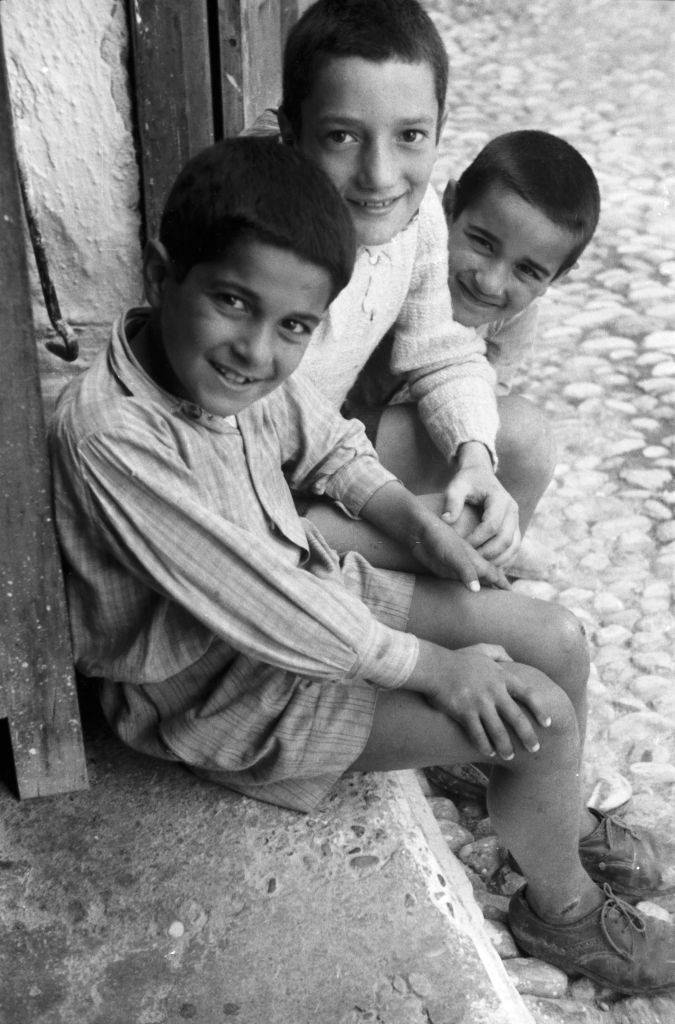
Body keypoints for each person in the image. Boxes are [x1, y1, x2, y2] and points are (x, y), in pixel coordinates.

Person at [49, 136, 674, 995]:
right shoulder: (114, 436)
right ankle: (558, 909)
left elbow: (330, 443)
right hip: (216, 693)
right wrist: (434, 668)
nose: (256, 351)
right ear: (164, 275)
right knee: (541, 720)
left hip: (311, 593)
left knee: (551, 637)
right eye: (233, 302)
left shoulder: (235, 376)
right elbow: (263, 605)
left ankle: (546, 816)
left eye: (293, 327)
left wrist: (415, 528)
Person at [255, 0, 548, 571]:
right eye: (342, 137)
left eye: (411, 135)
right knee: (520, 612)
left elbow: (439, 353)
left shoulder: (417, 216)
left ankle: (475, 596)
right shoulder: (258, 237)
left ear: (440, 128)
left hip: (331, 453)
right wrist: (407, 518)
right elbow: (247, 420)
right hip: (257, 493)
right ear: (292, 133)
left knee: (520, 442)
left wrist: (474, 459)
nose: (380, 177)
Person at [348, 129, 600, 538]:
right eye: (482, 243)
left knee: (508, 437)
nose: (490, 282)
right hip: (331, 436)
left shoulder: (513, 317)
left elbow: (482, 407)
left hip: (393, 443)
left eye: (528, 270)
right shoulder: (399, 252)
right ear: (449, 205)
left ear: (559, 276)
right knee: (522, 436)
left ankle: (494, 561)